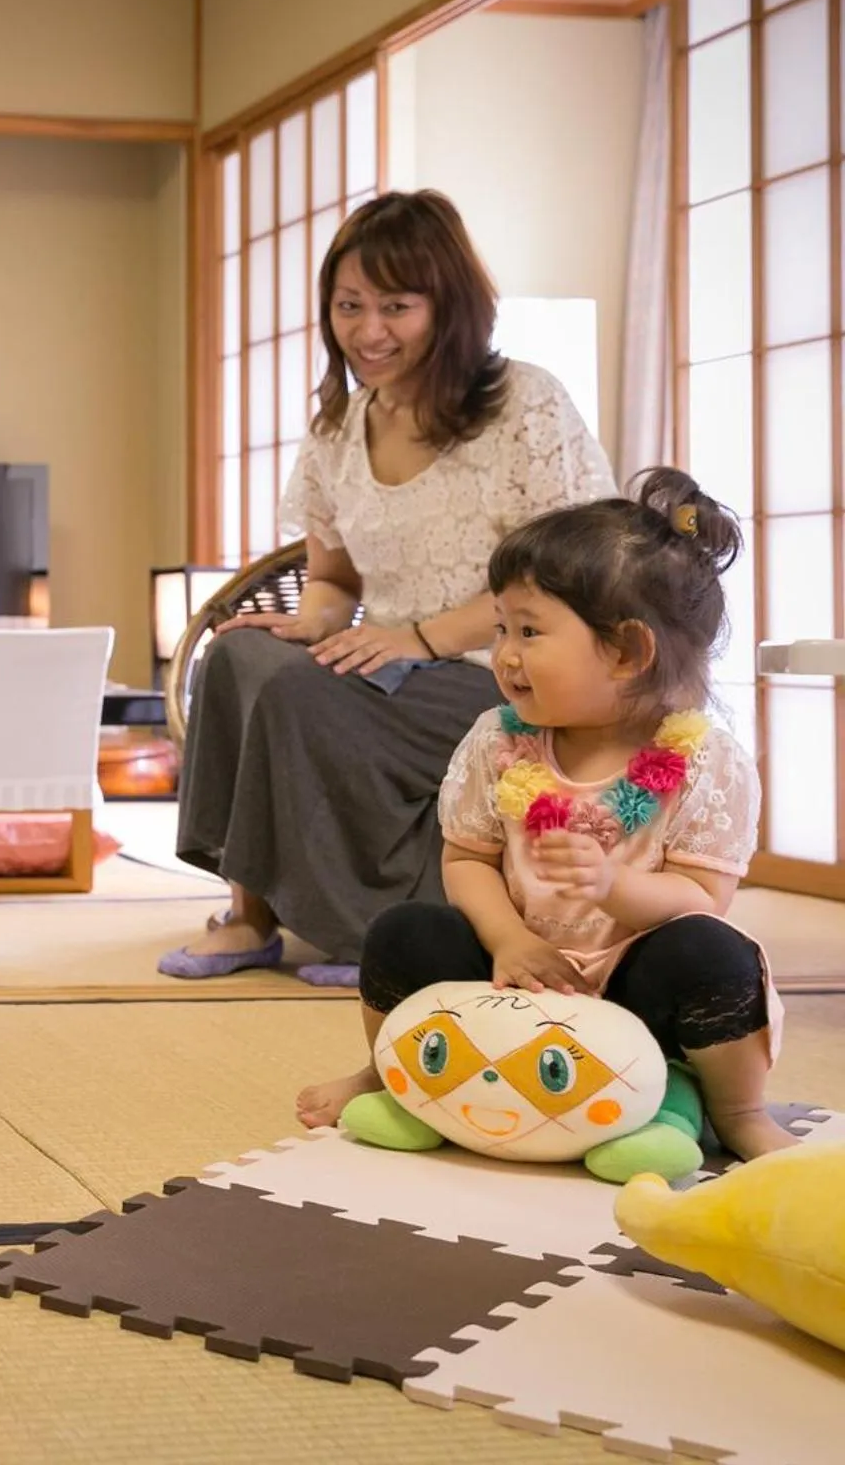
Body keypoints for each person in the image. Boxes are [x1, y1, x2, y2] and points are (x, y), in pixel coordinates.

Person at [163, 190, 616, 983]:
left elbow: (565, 576)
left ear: (449, 306)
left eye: (396, 306)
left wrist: (417, 639)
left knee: (306, 698)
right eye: (349, 306)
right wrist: (311, 624)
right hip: (394, 667)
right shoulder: (340, 425)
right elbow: (333, 578)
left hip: (507, 677)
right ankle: (251, 915)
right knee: (237, 662)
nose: (369, 332)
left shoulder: (524, 404)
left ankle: (370, 932)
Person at [297, 468, 795, 1166]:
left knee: (717, 956)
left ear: (627, 651)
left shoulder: (705, 758)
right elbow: (466, 858)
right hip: (514, 980)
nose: (503, 654)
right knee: (404, 931)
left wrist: (612, 889)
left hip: (635, 989)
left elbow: (701, 899)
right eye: (501, 627)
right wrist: (506, 940)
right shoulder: (499, 742)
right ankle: (391, 1069)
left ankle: (738, 1112)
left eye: (529, 631)